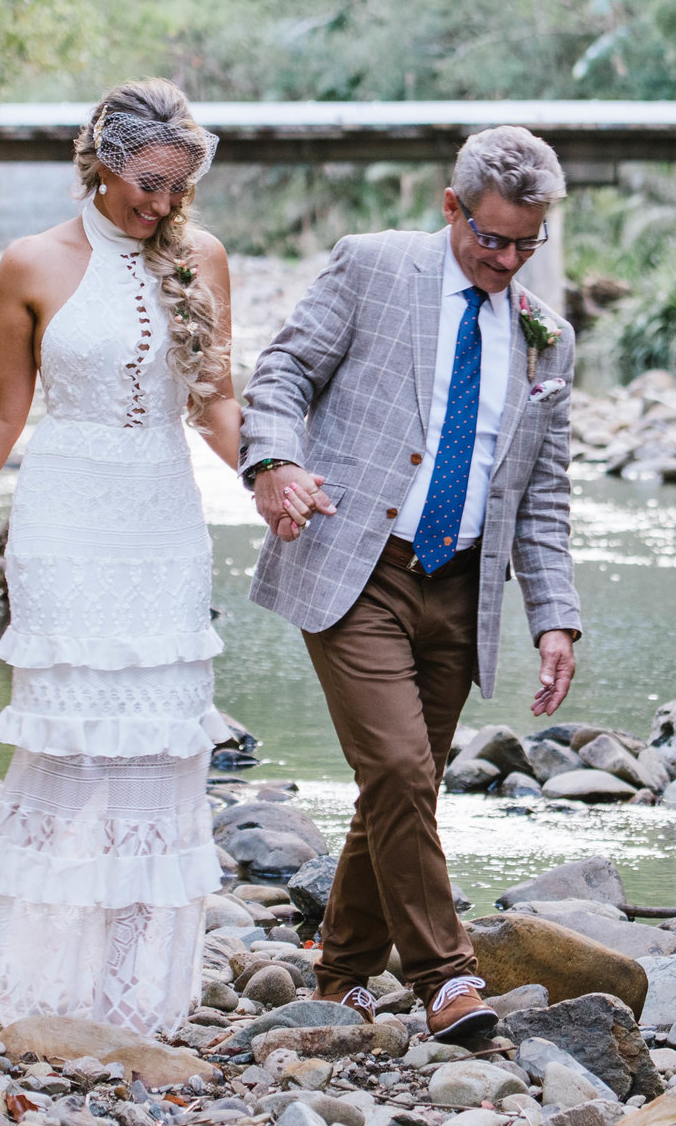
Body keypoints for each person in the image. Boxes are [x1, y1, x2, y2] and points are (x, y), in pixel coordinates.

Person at [0, 79, 241, 1038]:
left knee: (155, 745)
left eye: (177, 187)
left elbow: (215, 403)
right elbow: (2, 410)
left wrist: (276, 476)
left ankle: (128, 993)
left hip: (163, 519)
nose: (161, 205)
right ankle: (36, 981)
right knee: (73, 743)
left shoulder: (203, 259)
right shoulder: (31, 263)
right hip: (65, 518)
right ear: (100, 161)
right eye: (146, 182)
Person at [239, 125, 580, 1049]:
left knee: (404, 789)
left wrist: (556, 617)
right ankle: (447, 976)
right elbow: (282, 371)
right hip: (357, 564)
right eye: (491, 239)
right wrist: (272, 459)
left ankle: (343, 973)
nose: (507, 260)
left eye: (525, 244)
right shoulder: (374, 268)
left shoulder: (550, 337)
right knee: (396, 768)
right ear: (451, 207)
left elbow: (542, 493)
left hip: (462, 589)